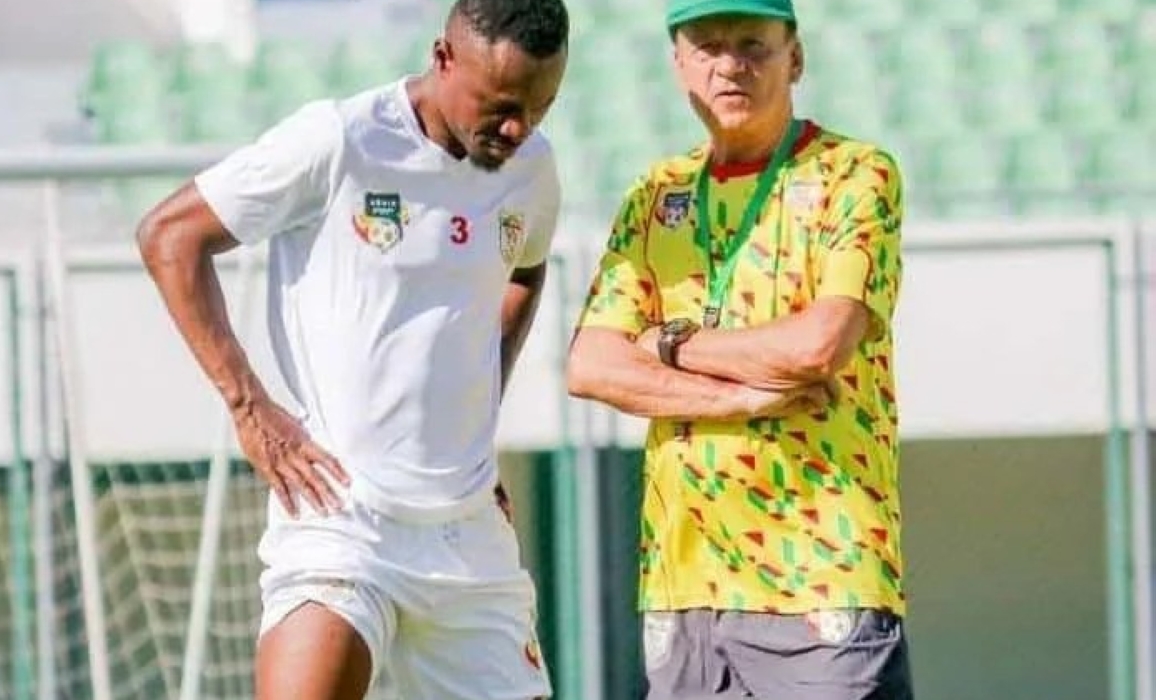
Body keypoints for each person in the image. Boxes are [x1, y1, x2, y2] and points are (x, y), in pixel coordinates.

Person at [136, 0, 568, 697]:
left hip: (468, 539)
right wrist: (249, 408)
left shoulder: (532, 170)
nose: (516, 128)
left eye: (539, 109)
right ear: (443, 56)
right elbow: (168, 236)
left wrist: (475, 412)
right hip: (343, 513)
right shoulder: (340, 140)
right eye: (499, 106)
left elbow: (526, 269)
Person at [566, 0, 913, 698]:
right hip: (682, 580)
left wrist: (670, 343)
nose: (731, 64)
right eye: (708, 45)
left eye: (754, 44)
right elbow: (592, 365)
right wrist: (742, 395)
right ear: (679, 65)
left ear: (797, 57)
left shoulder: (855, 174)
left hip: (821, 572)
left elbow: (819, 345)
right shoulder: (655, 193)